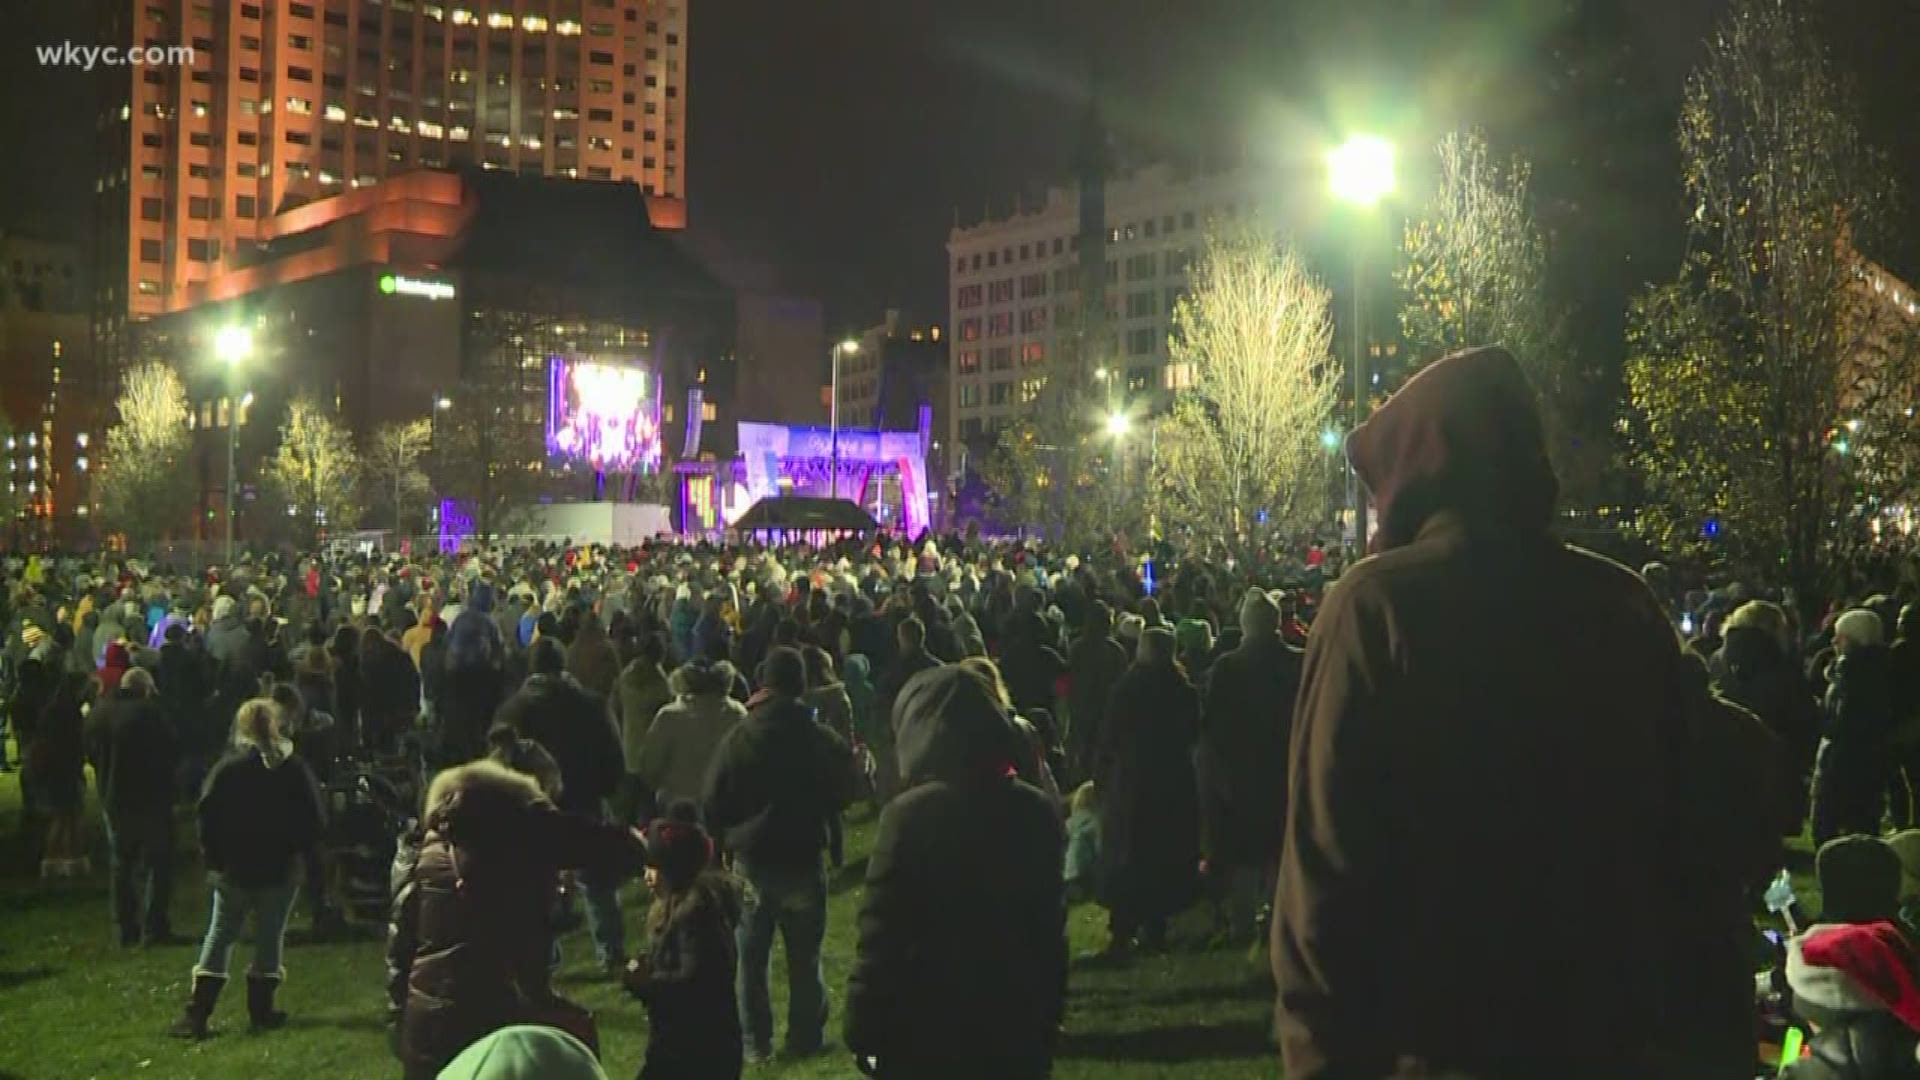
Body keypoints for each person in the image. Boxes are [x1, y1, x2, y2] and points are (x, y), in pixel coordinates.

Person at [1273, 346, 1782, 1080]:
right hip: (1606, 1042)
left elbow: (1323, 878)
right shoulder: (1621, 605)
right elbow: (1692, 829)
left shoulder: (1377, 609)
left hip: (1439, 1049)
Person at [844, 664, 1066, 1080]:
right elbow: (1048, 930)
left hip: (927, 1026)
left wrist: (863, 1024)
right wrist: (1048, 1014)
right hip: (1012, 1020)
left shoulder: (910, 817)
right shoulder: (1033, 810)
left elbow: (882, 933)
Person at [385, 758, 646, 1079]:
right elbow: (616, 847)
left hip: (427, 1021)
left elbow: (400, 948)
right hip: (496, 1008)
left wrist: (400, 1019)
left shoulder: (420, 847)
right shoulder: (519, 822)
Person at [702, 646, 854, 1061]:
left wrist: (730, 837)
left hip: (753, 859)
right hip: (803, 855)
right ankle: (804, 1037)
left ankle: (756, 1044)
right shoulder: (816, 734)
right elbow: (846, 788)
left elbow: (712, 803)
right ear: (800, 684)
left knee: (751, 962)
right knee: (804, 959)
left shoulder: (739, 736)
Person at [171, 697, 325, 1039]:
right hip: (279, 867)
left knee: (221, 934)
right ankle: (261, 1009)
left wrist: (214, 856)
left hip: (235, 867)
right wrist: (296, 850)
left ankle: (198, 1013)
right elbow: (314, 818)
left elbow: (206, 815)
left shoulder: (228, 769)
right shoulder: (293, 767)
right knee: (270, 937)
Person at [496, 638, 628, 970]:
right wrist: (606, 786)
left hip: (535, 806)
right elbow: (613, 754)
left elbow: (500, 761)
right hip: (585, 799)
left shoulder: (513, 710)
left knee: (538, 882)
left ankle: (544, 955)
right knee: (597, 880)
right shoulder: (590, 703)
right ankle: (610, 952)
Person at [1196, 587, 1302, 947]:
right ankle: (1278, 917)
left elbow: (1211, 725)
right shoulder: (1297, 663)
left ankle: (1244, 923)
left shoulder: (1228, 668)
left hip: (1241, 773)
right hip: (1285, 768)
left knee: (1244, 852)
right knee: (1279, 847)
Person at [1091, 626, 1200, 960]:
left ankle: (1122, 932)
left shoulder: (1128, 688)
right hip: (1170, 783)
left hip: (1133, 785)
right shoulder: (1182, 689)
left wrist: (1102, 776)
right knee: (1162, 854)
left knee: (1128, 855)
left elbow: (1109, 736)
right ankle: (1156, 927)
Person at [622, 803, 745, 1080]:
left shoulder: (697, 915)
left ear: (672, 870)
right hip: (678, 1042)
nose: (646, 877)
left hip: (701, 1049)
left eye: (652, 869)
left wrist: (646, 982)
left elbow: (698, 983)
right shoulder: (671, 909)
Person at [88, 667, 181, 946]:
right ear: (145, 689)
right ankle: (155, 925)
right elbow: (171, 750)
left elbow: (91, 753)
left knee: (122, 865)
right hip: (150, 797)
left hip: (113, 797)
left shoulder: (98, 714)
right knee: (159, 862)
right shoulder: (149, 714)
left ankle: (126, 927)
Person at [1715, 599, 1821, 833]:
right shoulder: (1781, 669)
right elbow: (1804, 721)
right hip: (1773, 768)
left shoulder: (1719, 662)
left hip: (1725, 766)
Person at [1813, 609, 1897, 843]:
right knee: (1864, 824)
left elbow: (1841, 722)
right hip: (1871, 761)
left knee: (1828, 826)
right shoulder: (1882, 669)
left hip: (1843, 760)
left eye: (1839, 636)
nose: (1833, 642)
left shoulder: (1851, 675)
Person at [641, 657, 747, 813]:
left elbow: (650, 767)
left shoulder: (669, 716)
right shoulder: (738, 714)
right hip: (723, 806)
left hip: (676, 806)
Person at [609, 632, 674, 825]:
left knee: (626, 806)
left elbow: (614, 708)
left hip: (629, 747)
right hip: (653, 752)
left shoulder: (626, 676)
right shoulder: (661, 684)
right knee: (648, 808)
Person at [1065, 602, 1129, 786]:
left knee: (1082, 749)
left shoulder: (1078, 647)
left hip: (1081, 705)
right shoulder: (1116, 651)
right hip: (1106, 707)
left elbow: (1070, 675)